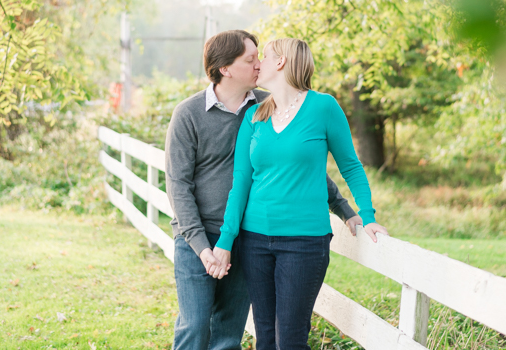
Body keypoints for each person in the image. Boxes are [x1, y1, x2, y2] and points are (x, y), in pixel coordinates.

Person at [164, 30, 362, 350]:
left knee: (229, 332)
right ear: (225, 68)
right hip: (196, 238)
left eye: (260, 57)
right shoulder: (188, 114)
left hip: (244, 237)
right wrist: (204, 248)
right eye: (250, 59)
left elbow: (297, 167)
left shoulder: (265, 107)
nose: (259, 64)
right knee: (195, 325)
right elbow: (178, 187)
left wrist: (343, 208)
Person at [212, 38, 388, 350]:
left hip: (304, 243)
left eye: (263, 57)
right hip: (254, 241)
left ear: (280, 62)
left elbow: (350, 166)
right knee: (265, 338)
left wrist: (368, 215)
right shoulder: (254, 116)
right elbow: (240, 184)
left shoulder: (323, 107)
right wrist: (226, 241)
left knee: (290, 340)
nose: (258, 64)